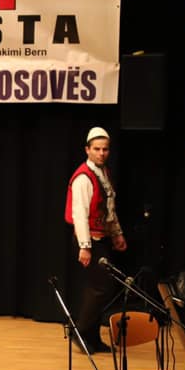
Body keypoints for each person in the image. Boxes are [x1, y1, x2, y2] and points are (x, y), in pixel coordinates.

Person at [64, 127, 127, 354]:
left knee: (101, 288)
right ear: (87, 150)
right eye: (97, 149)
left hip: (101, 238)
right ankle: (80, 332)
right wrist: (85, 246)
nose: (101, 153)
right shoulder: (84, 177)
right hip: (88, 239)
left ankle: (92, 337)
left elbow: (108, 208)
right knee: (100, 287)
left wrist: (117, 233)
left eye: (105, 149)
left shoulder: (103, 173)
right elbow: (79, 214)